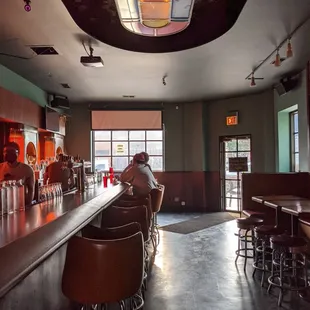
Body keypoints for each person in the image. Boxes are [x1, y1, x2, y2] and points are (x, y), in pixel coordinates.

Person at [0, 141, 35, 206]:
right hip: (3, 205)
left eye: (11, 151)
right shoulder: (1, 167)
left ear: (18, 153)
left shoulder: (27, 169)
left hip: (20, 205)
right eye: (6, 152)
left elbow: (31, 189)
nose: (8, 154)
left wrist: (27, 205)